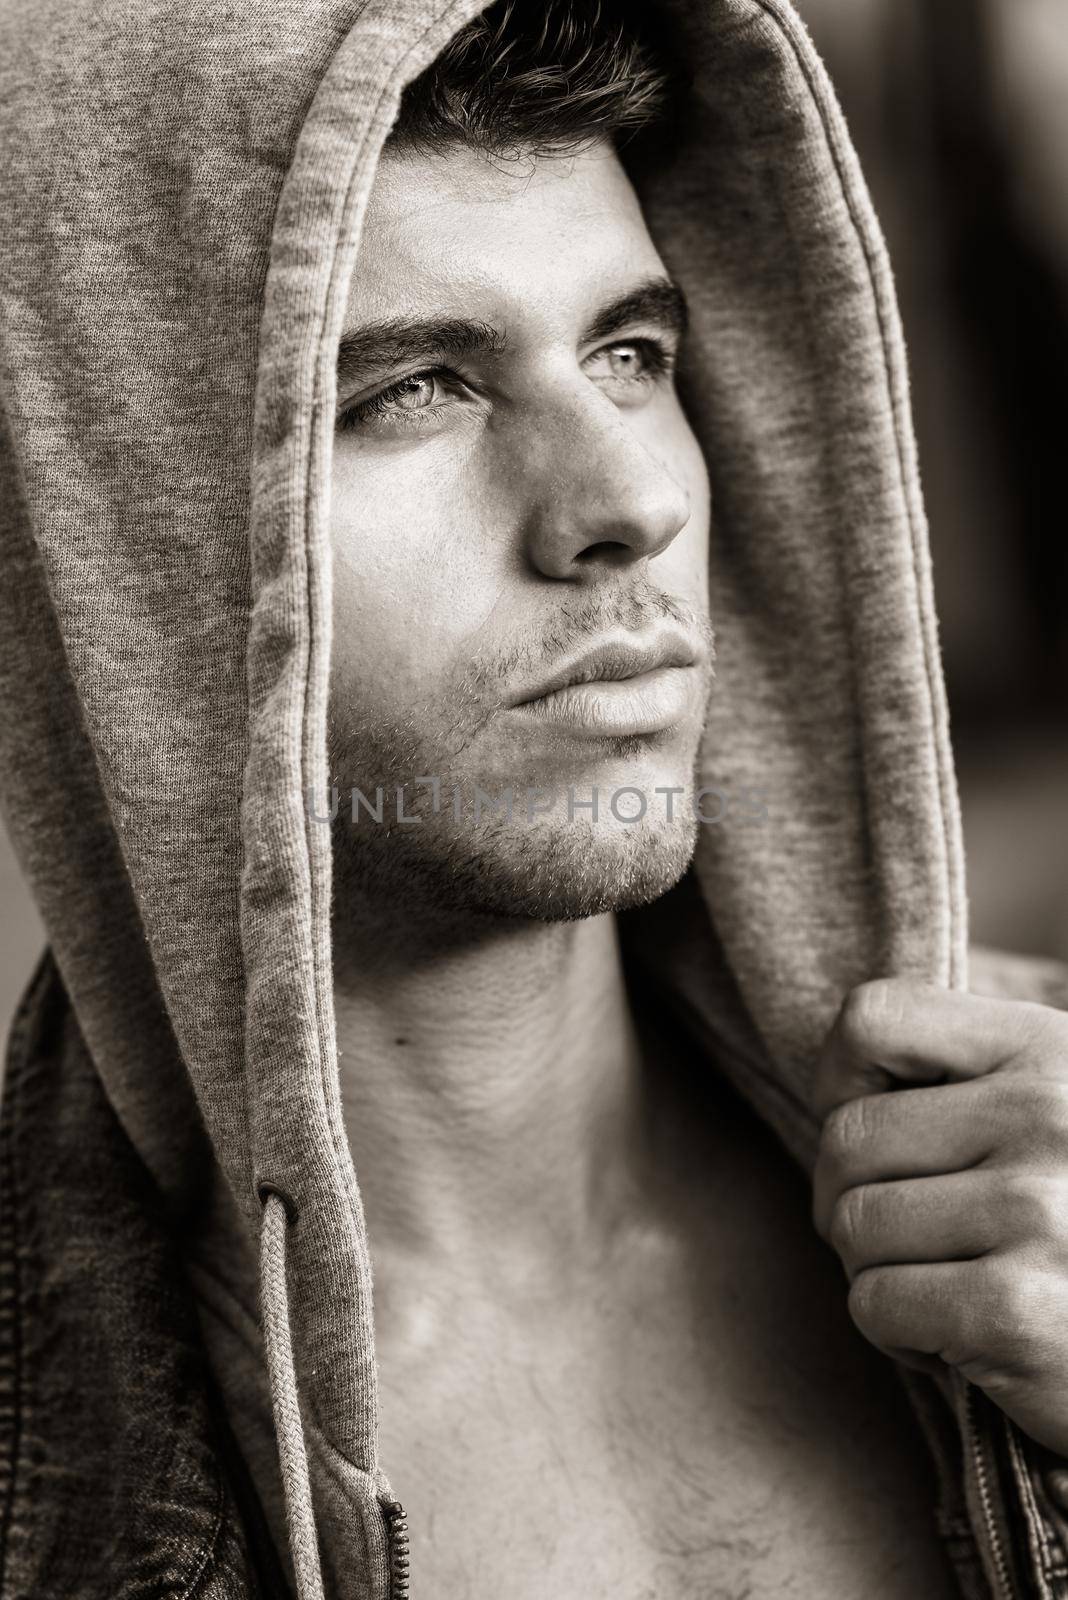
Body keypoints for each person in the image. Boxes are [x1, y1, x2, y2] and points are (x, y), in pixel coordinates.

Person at [2, 1, 1068, 1597]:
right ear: (116, 527)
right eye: (414, 390)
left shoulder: (1044, 1150)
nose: (626, 502)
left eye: (631, 355)